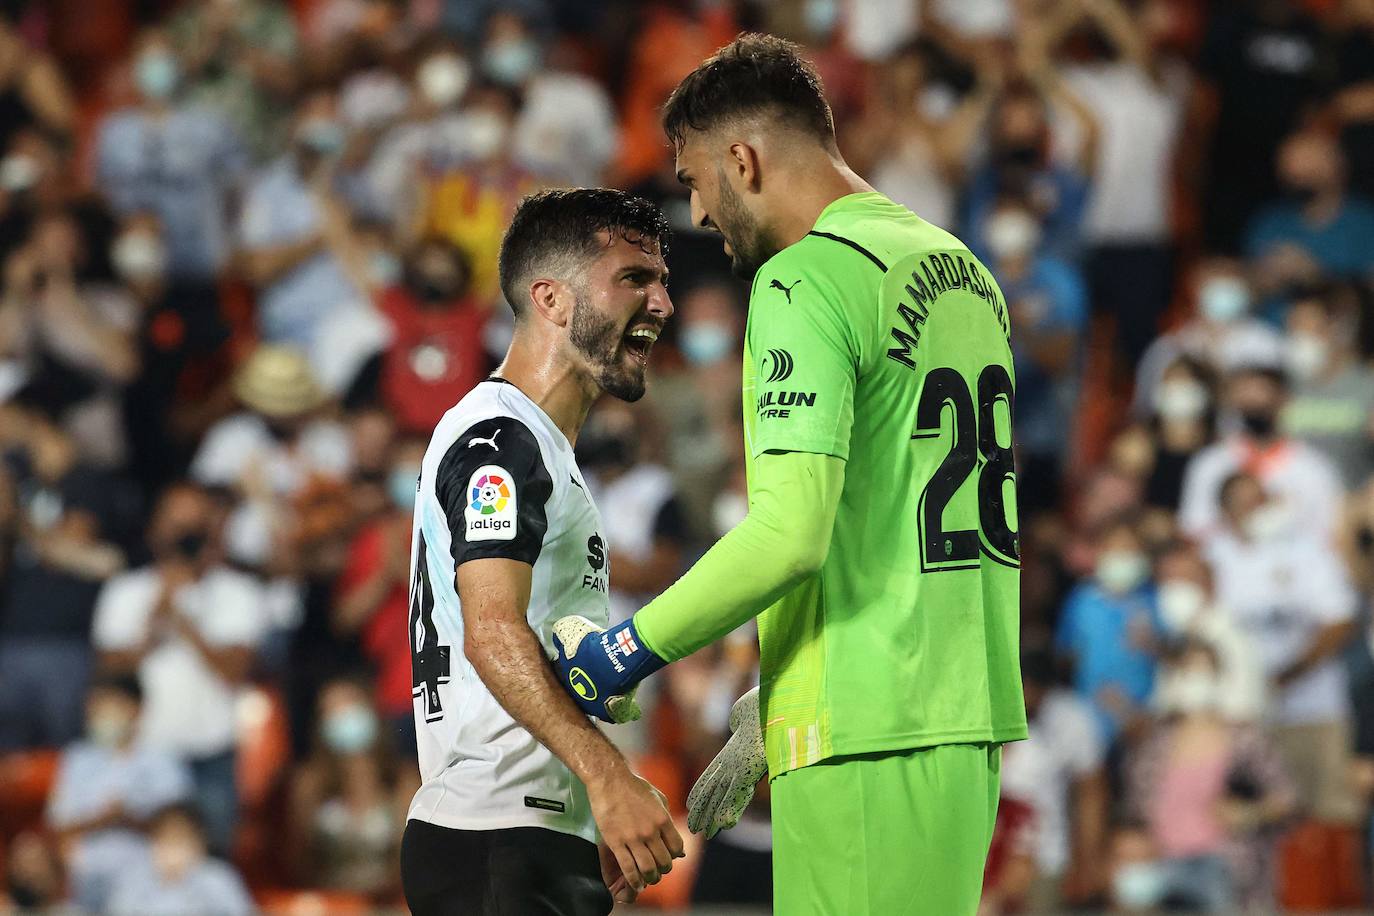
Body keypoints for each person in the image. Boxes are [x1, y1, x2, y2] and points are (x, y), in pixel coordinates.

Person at [552, 35, 1027, 915]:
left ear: (743, 158)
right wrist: (779, 686)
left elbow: (790, 531)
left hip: (860, 732)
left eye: (693, 180)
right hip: (959, 713)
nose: (696, 213)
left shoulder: (804, 278)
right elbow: (893, 507)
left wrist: (622, 654)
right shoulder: (961, 267)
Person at [398, 188, 683, 916]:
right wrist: (606, 777)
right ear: (551, 299)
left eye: (663, 281)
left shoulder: (537, 447)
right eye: (634, 278)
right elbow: (492, 629)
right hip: (497, 836)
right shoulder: (503, 439)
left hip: (527, 833)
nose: (662, 305)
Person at [92, 481, 268, 853]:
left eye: (194, 527)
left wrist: (186, 623)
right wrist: (157, 615)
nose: (184, 538)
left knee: (214, 857)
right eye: (176, 527)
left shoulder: (238, 592)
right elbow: (110, 673)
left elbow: (234, 670)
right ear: (156, 530)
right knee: (143, 862)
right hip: (146, 751)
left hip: (213, 751)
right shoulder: (125, 591)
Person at [1203, 472, 1360, 826]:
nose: (1257, 508)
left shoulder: (1305, 549)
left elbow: (1339, 621)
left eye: (1262, 499)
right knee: (1252, 820)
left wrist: (1285, 678)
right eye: (1246, 502)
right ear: (1225, 513)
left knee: (1329, 816)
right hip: (1238, 717)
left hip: (1312, 710)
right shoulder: (1211, 558)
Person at [46, 674, 192, 913]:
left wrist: (128, 818)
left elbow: (181, 828)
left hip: (149, 882)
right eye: (92, 705)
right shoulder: (77, 758)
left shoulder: (164, 760)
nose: (95, 712)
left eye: (105, 703)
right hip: (85, 880)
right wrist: (101, 819)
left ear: (135, 708)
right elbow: (57, 827)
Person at [1178, 364, 1344, 543]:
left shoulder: (1313, 467)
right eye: (1246, 396)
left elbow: (1329, 533)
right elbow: (1194, 528)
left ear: (1284, 399)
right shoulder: (1210, 463)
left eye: (1262, 395)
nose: (1253, 402)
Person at [105, 803, 254, 916]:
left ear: (198, 845)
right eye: (165, 841)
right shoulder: (134, 879)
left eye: (179, 842)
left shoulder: (218, 878)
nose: (171, 851)